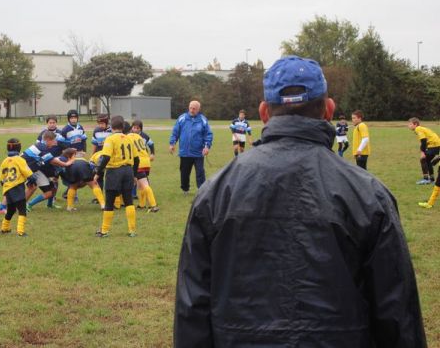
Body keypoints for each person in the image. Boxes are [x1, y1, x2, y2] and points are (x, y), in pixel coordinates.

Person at [174, 55, 426, 347]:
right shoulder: (368, 194)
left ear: (264, 113)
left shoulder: (216, 192)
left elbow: (191, 312)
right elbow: (399, 316)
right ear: (329, 109)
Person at [93, 115, 139, 237]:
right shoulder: (129, 139)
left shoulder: (110, 139)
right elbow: (136, 158)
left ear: (111, 126)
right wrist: (134, 175)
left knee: (109, 201)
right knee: (129, 200)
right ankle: (132, 230)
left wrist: (98, 173)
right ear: (123, 126)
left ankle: (104, 231)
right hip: (128, 171)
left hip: (114, 172)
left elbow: (106, 157)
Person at [169, 100, 213, 195]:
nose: (192, 110)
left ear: (198, 109)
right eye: (190, 108)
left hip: (198, 152)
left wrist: (207, 147)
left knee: (200, 172)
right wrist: (172, 143)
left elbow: (208, 134)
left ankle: (201, 190)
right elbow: (175, 132)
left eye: (194, 108)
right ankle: (185, 189)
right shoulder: (182, 118)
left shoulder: (203, 120)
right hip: (185, 152)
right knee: (184, 172)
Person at [23, 131, 74, 212]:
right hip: (27, 170)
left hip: (34, 170)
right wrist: (66, 164)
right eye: (54, 140)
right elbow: (52, 161)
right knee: (34, 188)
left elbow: (47, 161)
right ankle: (24, 206)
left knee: (53, 187)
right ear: (47, 140)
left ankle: (49, 205)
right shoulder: (42, 147)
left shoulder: (42, 146)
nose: (56, 143)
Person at [0, 138, 33, 237]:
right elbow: (27, 172)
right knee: (22, 210)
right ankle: (20, 231)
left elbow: (1, 178)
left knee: (11, 209)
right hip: (17, 188)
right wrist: (32, 179)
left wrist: (6, 186)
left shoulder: (4, 161)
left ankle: (4, 228)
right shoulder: (20, 159)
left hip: (7, 188)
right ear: (19, 147)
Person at [129, 120, 159, 212]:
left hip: (139, 163)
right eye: (134, 127)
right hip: (146, 162)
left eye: (137, 128)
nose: (135, 129)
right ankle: (142, 205)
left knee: (144, 184)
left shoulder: (129, 137)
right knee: (141, 184)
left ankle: (153, 205)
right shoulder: (138, 137)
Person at [408, 117, 440, 185]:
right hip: (436, 144)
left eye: (410, 124)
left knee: (423, 159)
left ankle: (426, 179)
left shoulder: (418, 129)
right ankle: (431, 179)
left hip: (434, 145)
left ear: (415, 124)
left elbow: (423, 141)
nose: (408, 126)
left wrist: (422, 152)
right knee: (428, 161)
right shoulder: (421, 128)